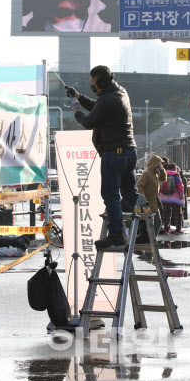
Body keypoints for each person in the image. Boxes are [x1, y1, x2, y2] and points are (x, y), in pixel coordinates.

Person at [67, 65, 138, 248]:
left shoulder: (108, 100)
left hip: (114, 153)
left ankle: (115, 234)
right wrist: (78, 96)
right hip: (129, 151)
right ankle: (145, 225)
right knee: (129, 193)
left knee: (110, 195)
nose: (93, 87)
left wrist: (76, 111)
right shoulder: (119, 92)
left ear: (102, 82)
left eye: (94, 84)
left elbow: (89, 121)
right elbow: (98, 106)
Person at [136, 154, 166, 241]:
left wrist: (162, 170)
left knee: (155, 223)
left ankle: (150, 240)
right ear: (155, 164)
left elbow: (163, 179)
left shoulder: (155, 173)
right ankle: (150, 240)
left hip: (154, 202)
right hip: (148, 202)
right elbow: (139, 185)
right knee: (155, 222)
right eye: (159, 164)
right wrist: (143, 198)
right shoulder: (147, 173)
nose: (160, 165)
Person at [159, 163, 185, 234]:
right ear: (174, 168)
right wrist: (181, 196)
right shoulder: (176, 177)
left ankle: (167, 230)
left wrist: (160, 196)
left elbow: (158, 187)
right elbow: (180, 187)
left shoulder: (163, 175)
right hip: (175, 199)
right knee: (177, 215)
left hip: (164, 199)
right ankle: (178, 230)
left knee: (166, 215)